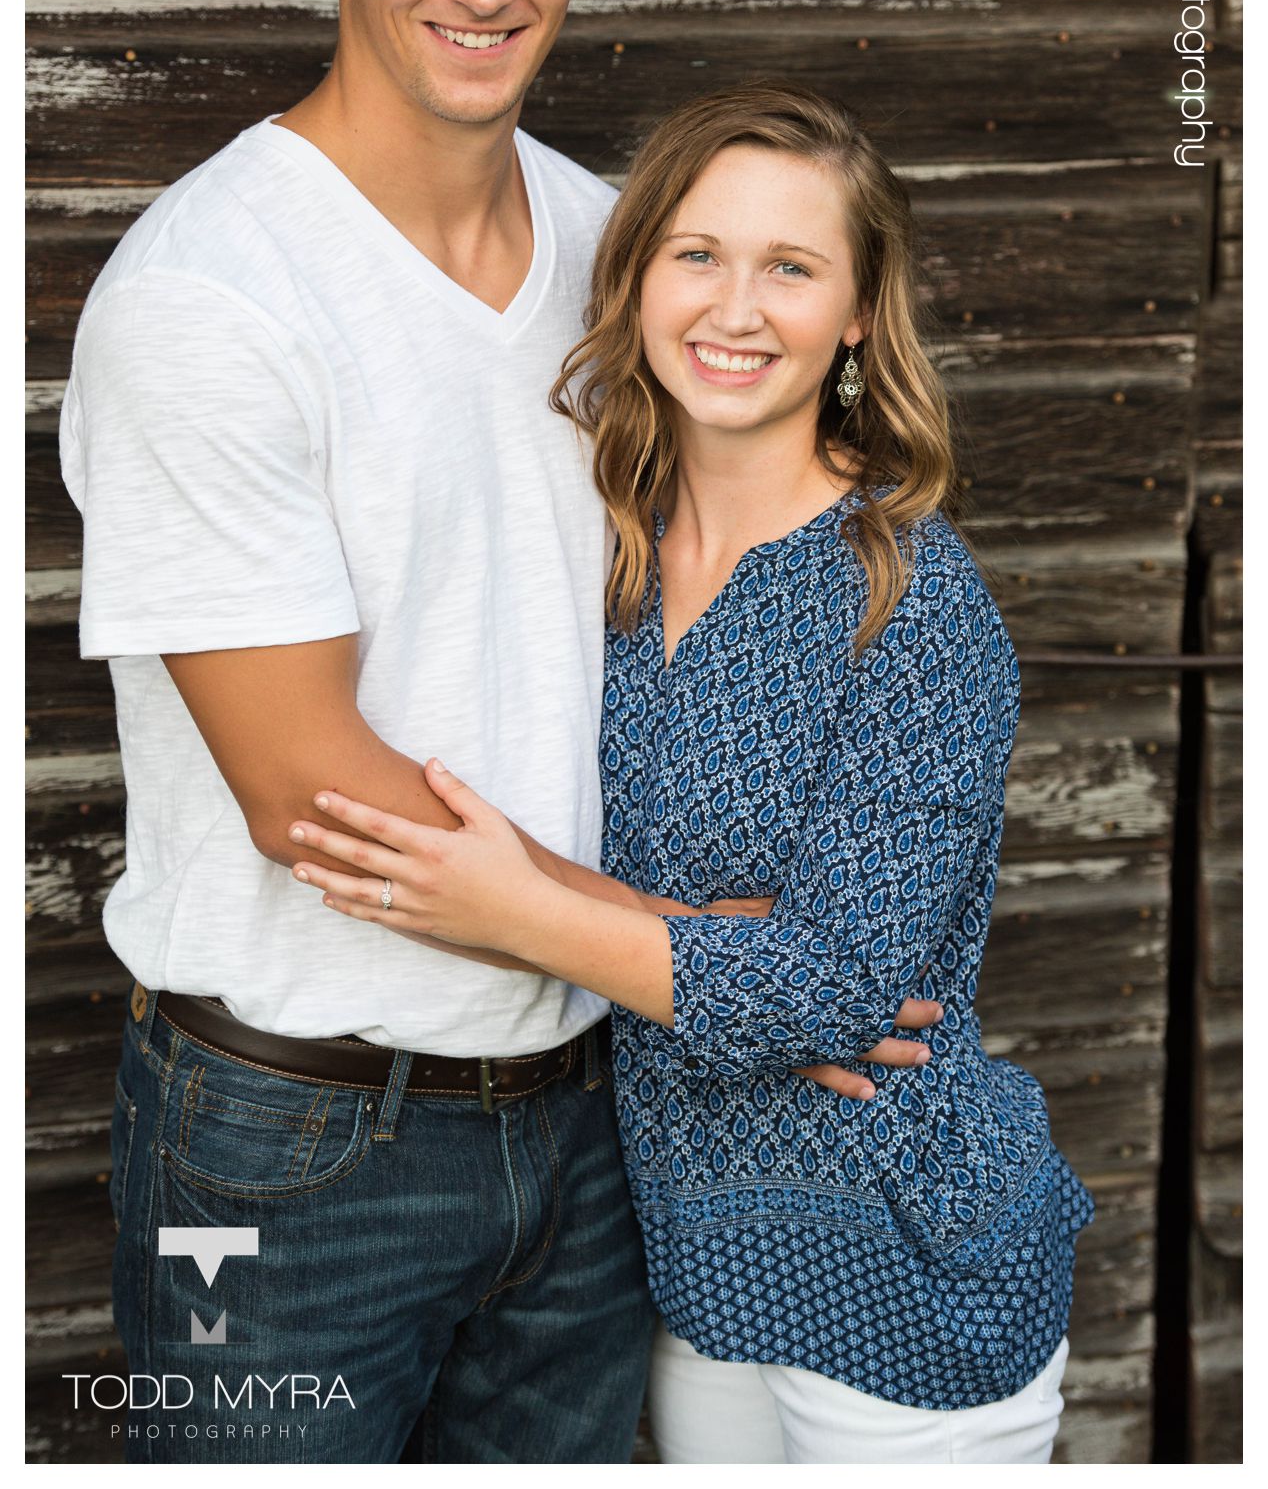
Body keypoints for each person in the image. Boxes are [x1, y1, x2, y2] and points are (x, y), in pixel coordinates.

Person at [59, 0, 935, 1466]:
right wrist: (705, 962)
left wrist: (779, 942)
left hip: (595, 1121)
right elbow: (318, 805)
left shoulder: (626, 259)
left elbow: (754, 590)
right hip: (291, 1140)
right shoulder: (212, 299)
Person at [288, 82, 1097, 1465]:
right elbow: (771, 977)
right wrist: (702, 942)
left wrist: (523, 916)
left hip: (901, 1249)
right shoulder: (600, 549)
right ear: (641, 271)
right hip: (685, 1259)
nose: (736, 308)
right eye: (698, 255)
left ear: (855, 313)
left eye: (791, 267)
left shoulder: (909, 605)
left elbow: (839, 990)